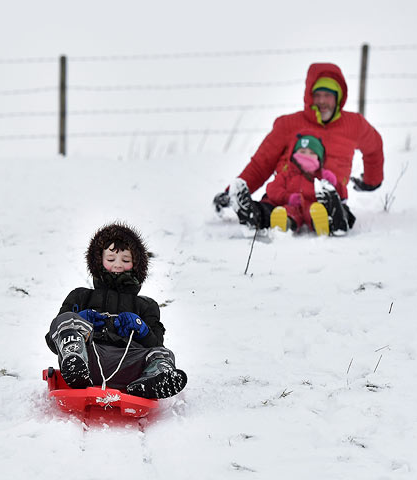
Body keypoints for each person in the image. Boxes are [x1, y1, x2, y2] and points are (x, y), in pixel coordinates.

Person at [213, 62, 384, 231]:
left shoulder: (354, 125)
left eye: (328, 95)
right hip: (286, 198)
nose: (322, 101)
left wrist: (371, 181)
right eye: (317, 95)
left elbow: (374, 148)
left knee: (338, 209)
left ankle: (335, 220)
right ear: (309, 96)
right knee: (268, 209)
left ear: (339, 96)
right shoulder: (289, 125)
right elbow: (261, 164)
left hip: (328, 198)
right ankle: (252, 215)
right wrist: (230, 194)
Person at [45, 223, 187, 399]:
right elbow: (52, 340)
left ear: (136, 264)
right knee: (66, 319)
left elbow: (156, 343)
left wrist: (141, 329)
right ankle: (75, 361)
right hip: (89, 359)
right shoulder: (80, 297)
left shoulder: (146, 306)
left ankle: (151, 381)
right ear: (98, 261)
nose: (118, 265)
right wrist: (79, 320)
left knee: (162, 354)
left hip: (129, 365)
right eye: (111, 259)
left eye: (125, 260)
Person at [265, 133, 347, 235]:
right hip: (293, 205)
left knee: (315, 211)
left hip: (314, 206)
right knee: (288, 211)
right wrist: (287, 197)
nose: (306, 156)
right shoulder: (287, 174)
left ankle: (320, 224)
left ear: (319, 158)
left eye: (312, 153)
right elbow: (272, 189)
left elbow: (341, 197)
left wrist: (334, 184)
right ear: (294, 154)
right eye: (302, 151)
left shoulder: (322, 175)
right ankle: (285, 223)